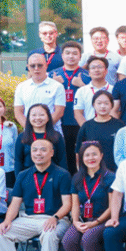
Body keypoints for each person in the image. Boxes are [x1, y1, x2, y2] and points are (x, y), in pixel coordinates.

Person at [0, 139, 72, 251]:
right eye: (35, 150)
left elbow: (67, 204)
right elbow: (15, 204)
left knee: (49, 234)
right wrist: (7, 221)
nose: (38, 153)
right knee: (1, 233)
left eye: (43, 149)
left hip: (56, 219)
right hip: (29, 218)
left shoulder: (62, 174)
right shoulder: (23, 175)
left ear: (51, 153)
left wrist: (55, 218)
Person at [61, 141, 115, 251]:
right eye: (87, 155)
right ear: (81, 158)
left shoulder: (110, 177)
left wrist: (95, 222)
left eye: (94, 154)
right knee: (68, 239)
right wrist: (75, 222)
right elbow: (74, 204)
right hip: (83, 220)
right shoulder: (77, 178)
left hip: (103, 220)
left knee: (88, 237)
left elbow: (112, 207)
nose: (91, 158)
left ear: (101, 156)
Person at [50, 41, 88, 171]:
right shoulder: (52, 75)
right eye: (67, 53)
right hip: (59, 122)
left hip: (80, 122)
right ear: (62, 55)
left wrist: (82, 85)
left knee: (81, 156)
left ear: (80, 56)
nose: (71, 56)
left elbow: (94, 98)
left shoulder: (87, 75)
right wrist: (53, 85)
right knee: (62, 157)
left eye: (74, 53)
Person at [15, 52, 66, 132]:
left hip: (52, 132)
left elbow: (59, 112)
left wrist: (42, 129)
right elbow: (18, 112)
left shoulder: (57, 86)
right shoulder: (21, 87)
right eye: (32, 66)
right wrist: (32, 130)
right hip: (29, 133)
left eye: (40, 65)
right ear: (28, 67)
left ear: (46, 66)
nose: (36, 68)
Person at [16, 103, 69, 173]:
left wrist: (63, 177)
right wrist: (19, 178)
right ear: (28, 118)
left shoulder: (56, 136)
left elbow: (62, 160)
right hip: (28, 177)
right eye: (34, 115)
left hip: (53, 176)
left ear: (48, 117)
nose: (38, 118)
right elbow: (18, 161)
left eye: (41, 115)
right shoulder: (22, 137)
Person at [73, 55, 113, 126]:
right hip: (88, 129)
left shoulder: (113, 90)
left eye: (100, 67)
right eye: (93, 68)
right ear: (89, 72)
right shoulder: (82, 91)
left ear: (106, 71)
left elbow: (116, 111)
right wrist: (87, 129)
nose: (96, 70)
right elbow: (78, 113)